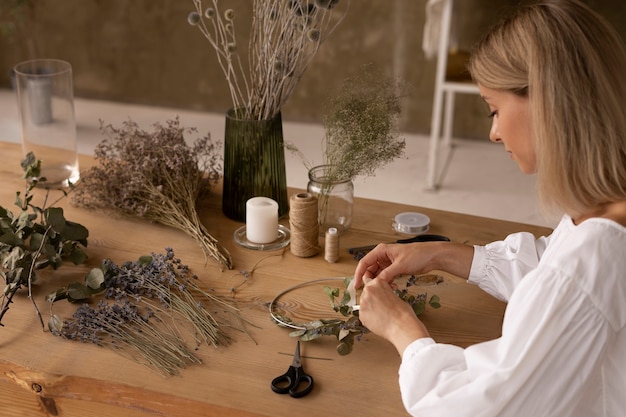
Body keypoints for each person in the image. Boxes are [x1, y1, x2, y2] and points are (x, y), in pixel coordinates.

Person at [353, 1, 626, 416]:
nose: (493, 133)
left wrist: (403, 331)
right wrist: (441, 253)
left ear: (548, 100)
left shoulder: (586, 268)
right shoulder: (609, 212)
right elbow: (553, 271)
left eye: (494, 109)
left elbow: (474, 409)